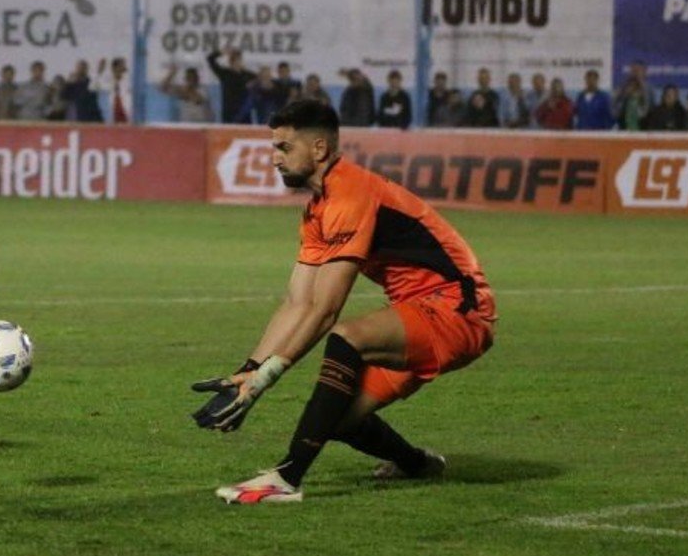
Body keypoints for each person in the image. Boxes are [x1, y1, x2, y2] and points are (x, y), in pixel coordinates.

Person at [199, 100, 495, 504]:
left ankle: (286, 478)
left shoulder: (352, 194)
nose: (274, 159)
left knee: (346, 337)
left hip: (458, 310)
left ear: (318, 148)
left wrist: (266, 379)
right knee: (335, 418)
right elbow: (298, 303)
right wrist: (247, 372)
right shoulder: (318, 209)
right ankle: (417, 464)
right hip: (421, 312)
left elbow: (325, 311)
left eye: (284, 148)